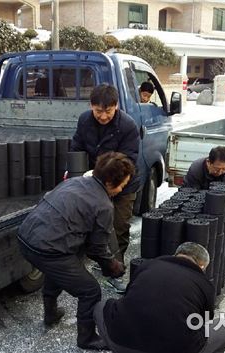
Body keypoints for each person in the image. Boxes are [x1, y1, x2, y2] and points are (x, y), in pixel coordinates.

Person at [17, 151, 135, 351]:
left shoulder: (75, 182)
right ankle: (87, 338)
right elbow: (96, 249)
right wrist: (112, 267)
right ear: (109, 182)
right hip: (47, 249)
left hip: (25, 238)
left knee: (63, 266)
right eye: (122, 184)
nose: (123, 188)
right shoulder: (104, 206)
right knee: (90, 290)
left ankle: (50, 314)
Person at [93, 242, 225, 353]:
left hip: (122, 342)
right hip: (176, 349)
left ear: (176, 255)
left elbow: (128, 295)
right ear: (202, 266)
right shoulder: (204, 284)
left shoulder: (148, 265)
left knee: (101, 306)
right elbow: (204, 320)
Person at [71, 83, 140, 293]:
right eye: (98, 111)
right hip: (94, 182)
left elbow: (128, 161)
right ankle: (95, 260)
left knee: (117, 227)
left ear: (116, 106)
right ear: (91, 106)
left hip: (122, 185)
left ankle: (115, 272)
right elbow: (77, 149)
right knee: (90, 225)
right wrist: (75, 177)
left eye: (107, 111)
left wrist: (105, 177)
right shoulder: (84, 120)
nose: (102, 116)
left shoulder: (127, 126)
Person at [183, 146, 225, 260]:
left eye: (224, 169)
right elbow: (191, 195)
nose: (220, 172)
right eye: (217, 168)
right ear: (209, 162)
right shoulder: (196, 169)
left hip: (224, 196)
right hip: (200, 196)